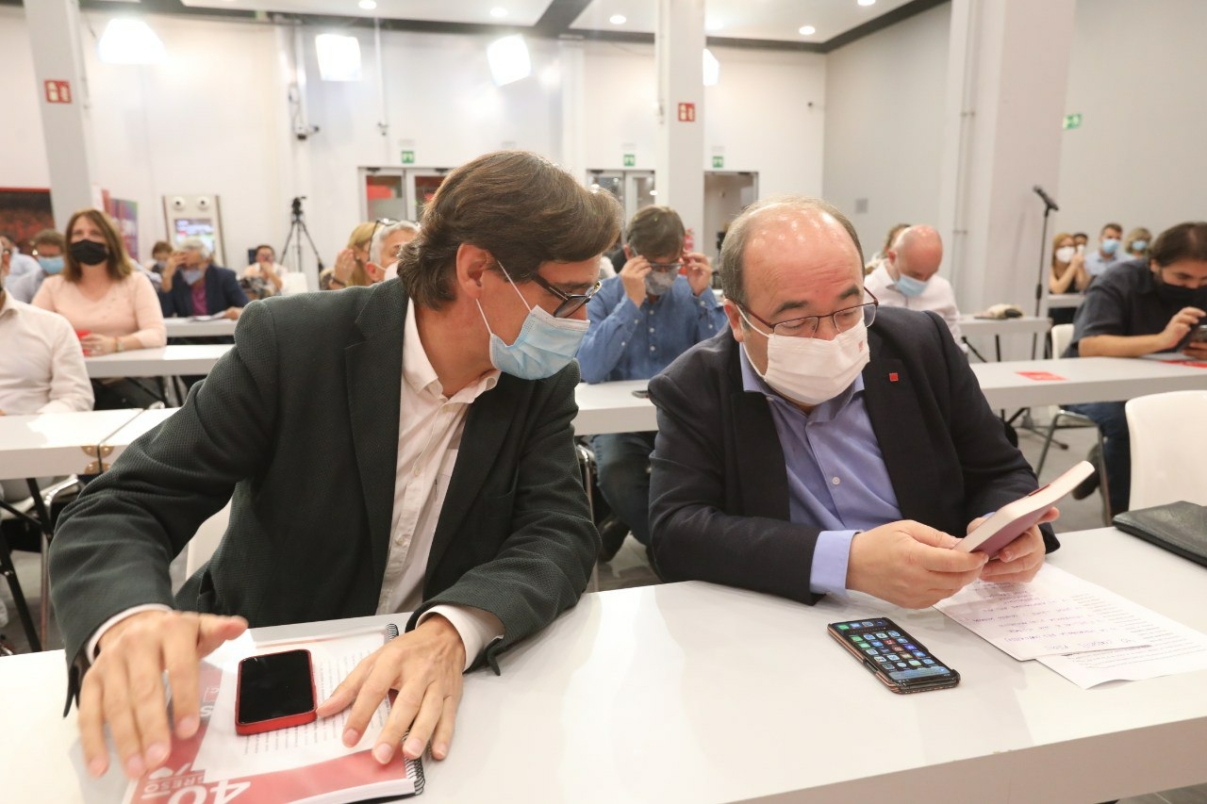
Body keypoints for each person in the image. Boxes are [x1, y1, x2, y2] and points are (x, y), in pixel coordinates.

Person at [49, 150, 622, 782]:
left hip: (428, 703)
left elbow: (560, 530)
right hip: (260, 680)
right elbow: (122, 506)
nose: (582, 321)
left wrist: (453, 629)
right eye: (567, 297)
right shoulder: (295, 345)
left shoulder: (534, 380)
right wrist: (132, 621)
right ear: (477, 270)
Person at [648, 196, 1058, 609]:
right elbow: (676, 533)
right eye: (796, 321)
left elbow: (1000, 470)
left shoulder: (920, 346)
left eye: (847, 311)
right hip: (791, 623)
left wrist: (1005, 531)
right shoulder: (695, 386)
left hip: (948, 607)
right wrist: (846, 562)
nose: (830, 339)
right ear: (738, 319)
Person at [577, 206, 725, 558]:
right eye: (654, 265)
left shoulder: (692, 293)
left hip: (680, 418)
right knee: (617, 473)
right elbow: (591, 369)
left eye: (670, 265)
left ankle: (626, 520)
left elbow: (723, 363)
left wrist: (704, 295)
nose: (663, 274)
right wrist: (631, 303)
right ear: (630, 255)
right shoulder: (602, 295)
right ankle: (671, 552)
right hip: (617, 426)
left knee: (709, 472)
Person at [1063, 221, 1207, 516]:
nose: (1193, 287)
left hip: (1167, 382)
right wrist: (1162, 340)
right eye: (1182, 277)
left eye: (1203, 280)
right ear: (1154, 263)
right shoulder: (1118, 280)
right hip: (1092, 386)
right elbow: (1090, 345)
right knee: (1127, 421)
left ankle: (1186, 508)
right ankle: (1126, 517)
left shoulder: (1200, 283)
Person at [31, 209, 166, 359]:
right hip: (69, 374)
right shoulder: (52, 286)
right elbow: (31, 333)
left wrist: (116, 344)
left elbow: (156, 334)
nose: (85, 239)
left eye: (95, 233)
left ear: (110, 241)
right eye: (78, 233)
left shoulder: (136, 282)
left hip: (128, 375)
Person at [864, 225, 963, 345]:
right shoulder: (867, 290)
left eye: (931, 273)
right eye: (915, 275)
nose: (923, 281)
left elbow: (953, 344)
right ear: (892, 257)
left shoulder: (942, 288)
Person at [159, 238, 248, 320]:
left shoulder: (224, 277)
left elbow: (246, 308)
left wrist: (237, 312)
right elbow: (164, 315)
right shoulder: (175, 278)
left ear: (206, 261)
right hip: (187, 335)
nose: (188, 270)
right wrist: (167, 276)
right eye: (184, 267)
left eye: (194, 266)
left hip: (220, 334)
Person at [6, 228, 66, 304]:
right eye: (43, 256)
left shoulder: (78, 281)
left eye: (52, 256)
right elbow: (19, 311)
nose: (48, 260)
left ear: (65, 255)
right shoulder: (25, 284)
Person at [1048, 232, 1090, 326]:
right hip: (1053, 313)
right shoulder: (1049, 267)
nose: (1067, 250)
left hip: (1073, 312)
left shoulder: (1075, 266)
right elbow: (1057, 289)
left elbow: (1083, 286)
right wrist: (1073, 266)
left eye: (1071, 246)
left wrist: (1081, 267)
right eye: (1062, 247)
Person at [331, 222, 376, 288]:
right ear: (357, 252)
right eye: (373, 250)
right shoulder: (334, 278)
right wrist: (338, 280)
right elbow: (334, 297)